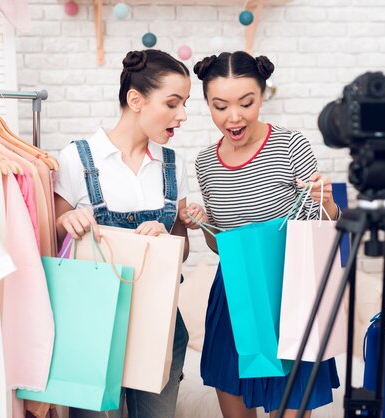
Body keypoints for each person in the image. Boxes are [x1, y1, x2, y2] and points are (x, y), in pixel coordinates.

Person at [180, 51, 341, 418]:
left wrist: (327, 202)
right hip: (234, 288)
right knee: (231, 392)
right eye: (220, 106)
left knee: (290, 400)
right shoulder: (206, 162)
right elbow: (221, 245)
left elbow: (321, 225)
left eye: (246, 103)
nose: (233, 116)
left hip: (290, 288)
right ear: (208, 104)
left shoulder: (289, 145)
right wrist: (203, 222)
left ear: (262, 97)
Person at [53, 49, 192, 418]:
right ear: (136, 100)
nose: (183, 115)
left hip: (160, 322)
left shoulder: (172, 165)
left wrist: (169, 233)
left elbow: (184, 252)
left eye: (185, 104)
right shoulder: (76, 158)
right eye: (173, 103)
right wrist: (66, 224)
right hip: (92, 325)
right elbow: (53, 239)